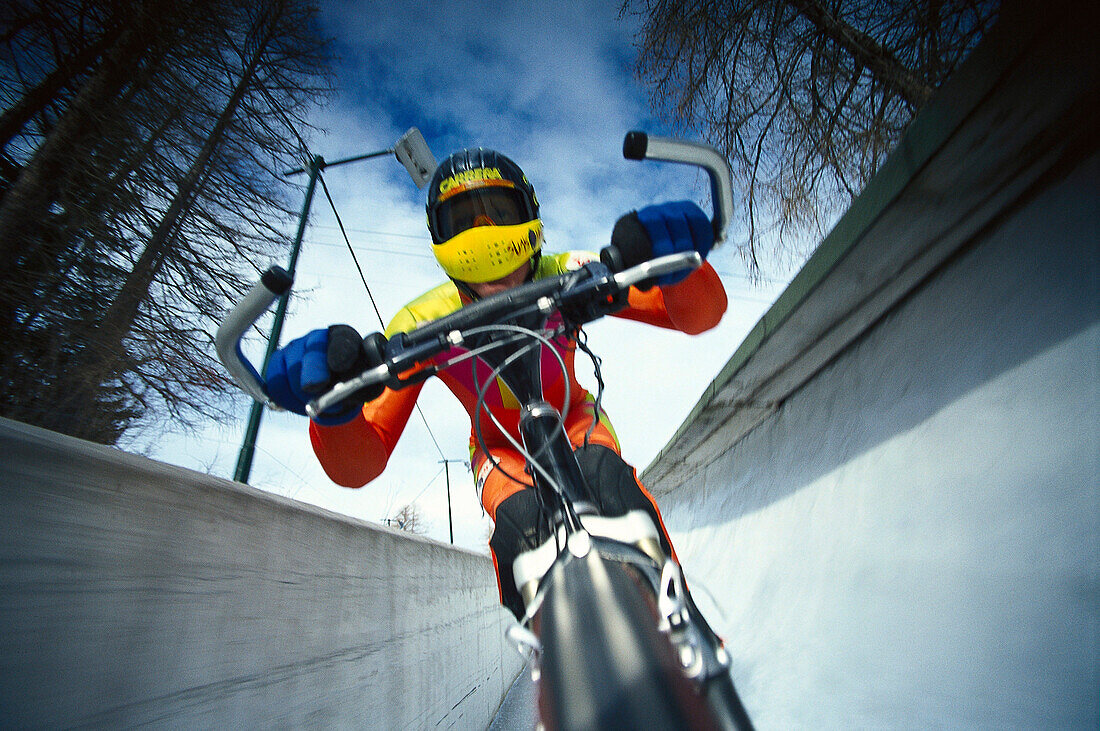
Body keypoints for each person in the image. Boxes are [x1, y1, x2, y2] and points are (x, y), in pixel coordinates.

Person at [264, 148, 727, 619]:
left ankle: (676, 619)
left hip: (567, 420)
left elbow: (695, 314)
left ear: (528, 219)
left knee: (605, 480)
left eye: (499, 213)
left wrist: (678, 267)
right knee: (519, 524)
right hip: (500, 445)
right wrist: (334, 409)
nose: (486, 237)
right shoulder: (424, 318)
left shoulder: (557, 274)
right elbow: (360, 463)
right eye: (465, 221)